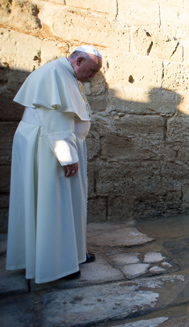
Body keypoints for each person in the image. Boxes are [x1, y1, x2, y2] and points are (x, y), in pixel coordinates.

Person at [6, 45, 103, 283]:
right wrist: (67, 156)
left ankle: (73, 254)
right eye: (91, 71)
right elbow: (55, 119)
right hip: (48, 147)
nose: (92, 77)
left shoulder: (64, 74)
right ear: (78, 60)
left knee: (67, 203)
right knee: (54, 202)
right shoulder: (54, 74)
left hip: (54, 143)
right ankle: (57, 265)